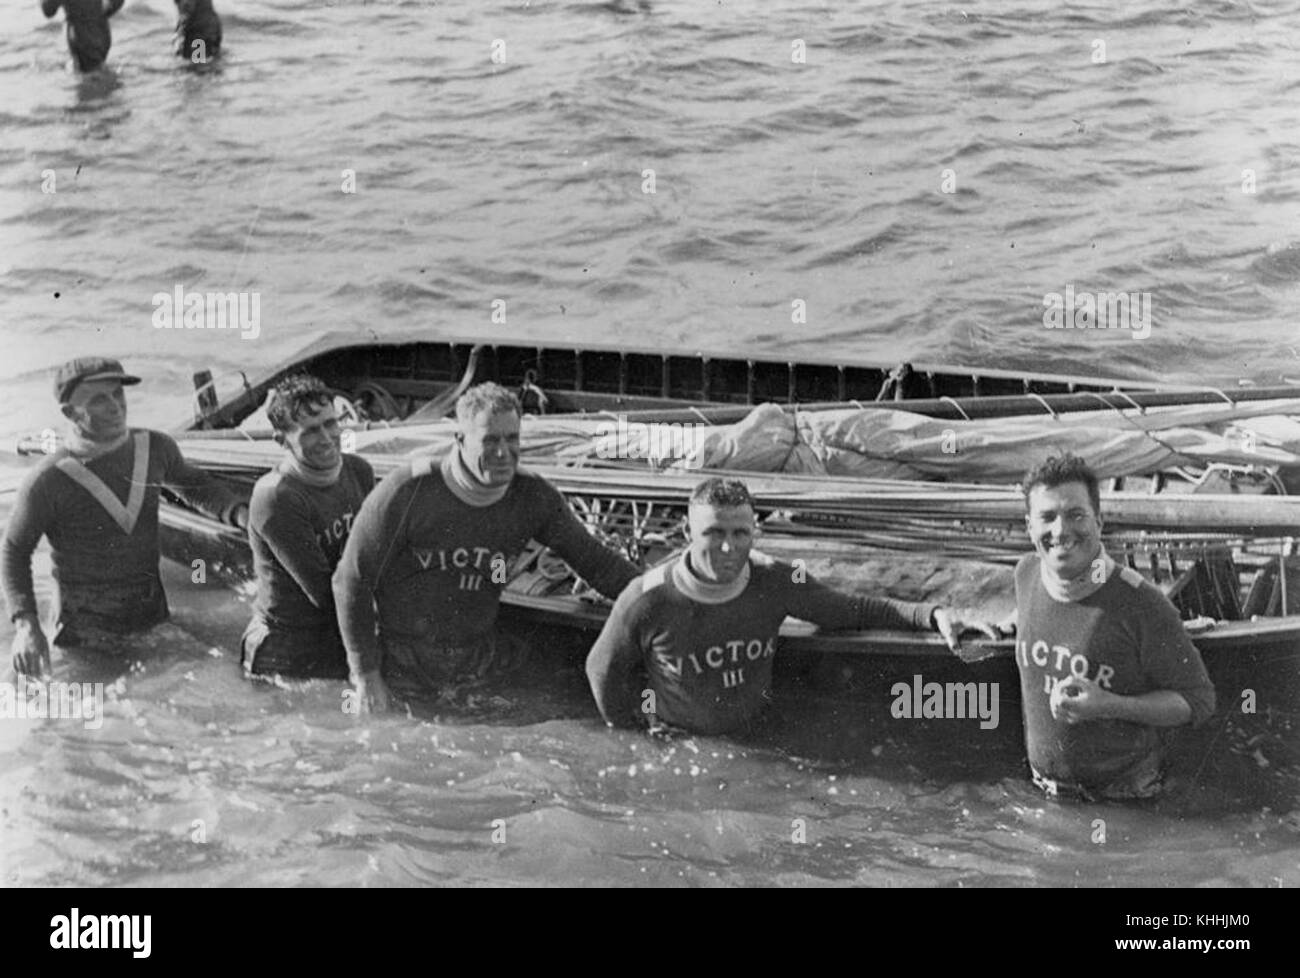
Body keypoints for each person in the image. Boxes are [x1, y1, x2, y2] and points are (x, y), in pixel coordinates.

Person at [586, 477, 999, 736]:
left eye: (740, 533)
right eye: (713, 533)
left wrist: (932, 614)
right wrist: (631, 732)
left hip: (756, 734)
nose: (729, 548)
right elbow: (601, 668)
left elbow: (849, 609)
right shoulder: (647, 596)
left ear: (755, 531)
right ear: (686, 532)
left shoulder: (778, 578)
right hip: (681, 740)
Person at [333, 382, 640, 712]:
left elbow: (597, 564)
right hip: (401, 661)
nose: (503, 453)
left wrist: (660, 592)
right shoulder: (408, 490)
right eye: (490, 440)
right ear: (461, 441)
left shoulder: (533, 496)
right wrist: (365, 675)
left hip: (475, 656)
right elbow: (351, 580)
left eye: (512, 439)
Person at [3, 358, 249, 677]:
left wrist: (242, 515)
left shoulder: (155, 447)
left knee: (214, 676)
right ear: (69, 413)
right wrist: (26, 626)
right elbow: (13, 551)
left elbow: (198, 488)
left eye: (118, 394)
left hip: (151, 615)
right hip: (84, 633)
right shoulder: (48, 479)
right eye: (98, 400)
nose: (115, 406)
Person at [1010, 453, 1216, 800]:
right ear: (1030, 526)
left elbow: (1199, 701)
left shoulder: (1142, 604)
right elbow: (1049, 621)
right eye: (1047, 517)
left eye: (1076, 515)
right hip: (1046, 794)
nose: (1060, 531)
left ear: (1099, 522)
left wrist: (1109, 705)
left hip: (1122, 799)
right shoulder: (1026, 573)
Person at [241, 376, 373, 680]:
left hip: (336, 630)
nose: (327, 438)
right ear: (281, 440)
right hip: (285, 648)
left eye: (331, 423)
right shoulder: (276, 496)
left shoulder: (358, 471)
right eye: (311, 431)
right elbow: (325, 593)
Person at [40, 0, 125, 72]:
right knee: (98, 68)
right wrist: (101, 13)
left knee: (89, 75)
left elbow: (48, 11)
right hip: (102, 33)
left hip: (81, 37)